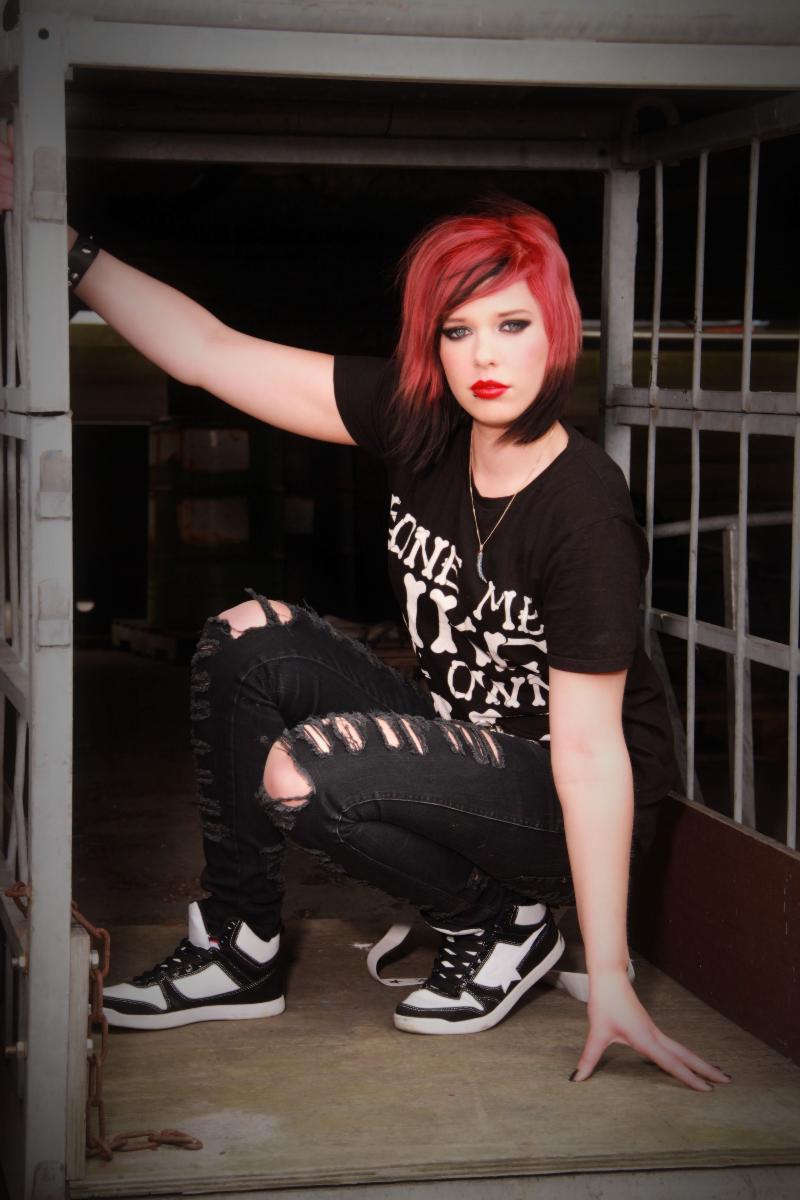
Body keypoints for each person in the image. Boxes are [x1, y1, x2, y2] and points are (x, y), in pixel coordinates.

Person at [0, 128, 729, 1090]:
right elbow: (212, 353)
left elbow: (591, 755)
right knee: (247, 639)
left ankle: (500, 924)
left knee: (304, 774)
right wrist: (61, 242)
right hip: (459, 739)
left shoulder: (585, 511)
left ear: (559, 330)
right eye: (457, 331)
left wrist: (614, 976)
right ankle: (239, 945)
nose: (484, 357)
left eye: (512, 324)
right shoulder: (421, 422)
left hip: (560, 803)